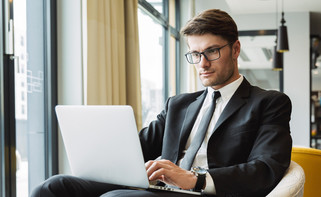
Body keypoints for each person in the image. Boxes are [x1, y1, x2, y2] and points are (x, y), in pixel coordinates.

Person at [31, 9, 292, 197]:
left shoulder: (269, 103)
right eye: (196, 54)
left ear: (235, 50)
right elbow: (137, 150)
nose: (202, 63)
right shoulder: (178, 105)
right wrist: (99, 151)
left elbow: (266, 169)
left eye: (212, 51)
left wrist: (194, 180)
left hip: (208, 193)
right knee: (52, 187)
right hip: (160, 189)